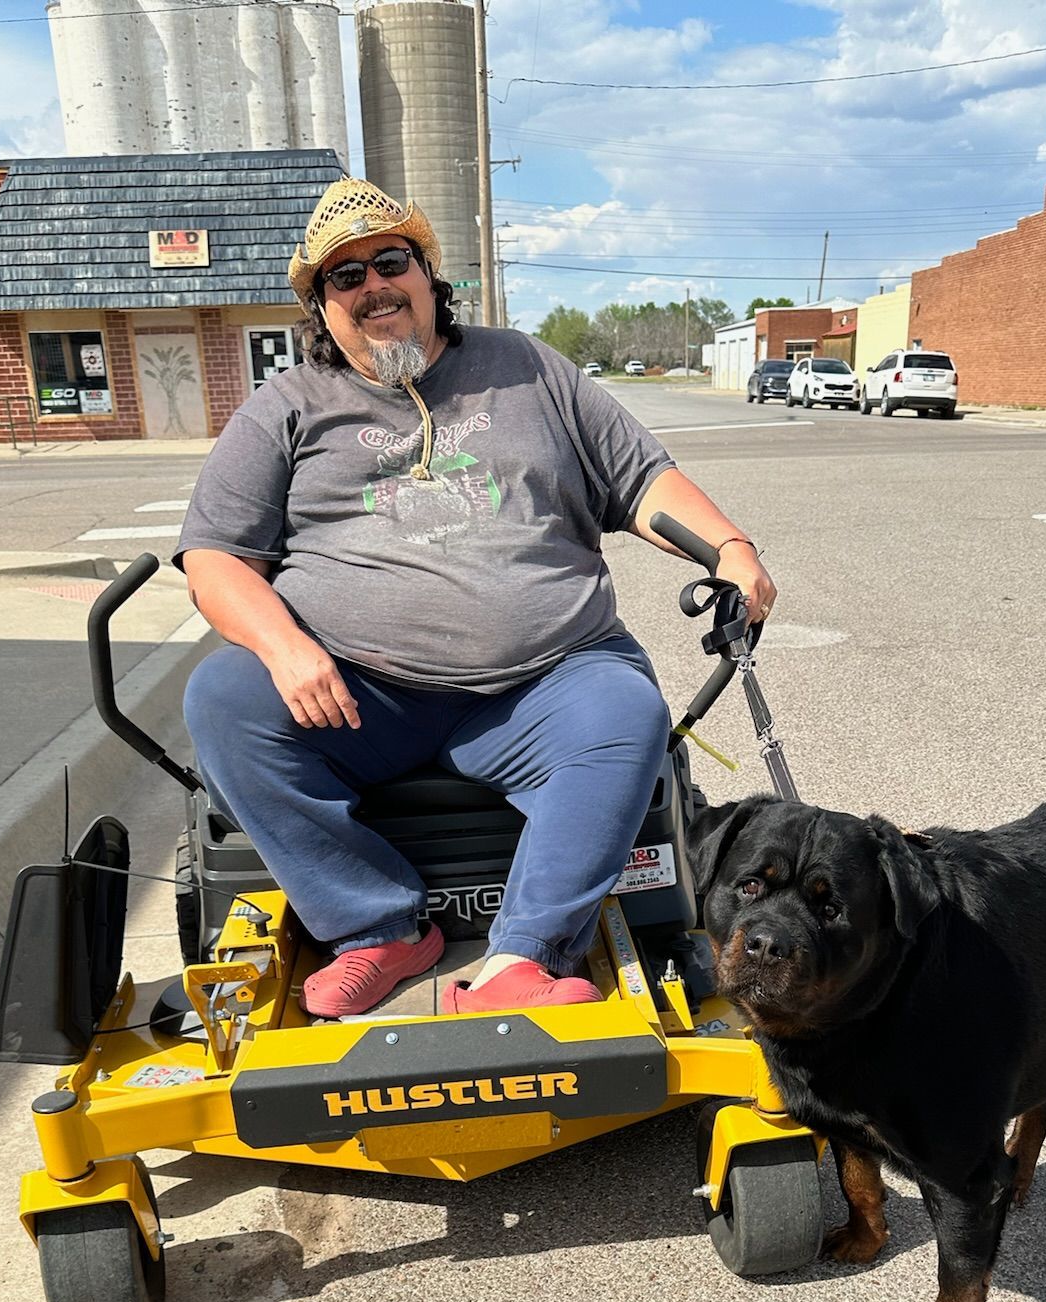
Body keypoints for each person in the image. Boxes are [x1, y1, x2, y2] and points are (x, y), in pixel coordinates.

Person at [177, 177, 775, 1017]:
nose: (372, 286)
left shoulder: (529, 368)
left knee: (624, 709)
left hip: (548, 679)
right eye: (344, 278)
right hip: (361, 693)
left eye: (390, 261)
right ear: (321, 305)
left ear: (428, 274)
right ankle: (377, 927)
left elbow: (641, 480)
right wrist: (286, 648)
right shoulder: (283, 408)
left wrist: (733, 551)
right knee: (223, 700)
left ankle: (522, 958)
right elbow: (214, 557)